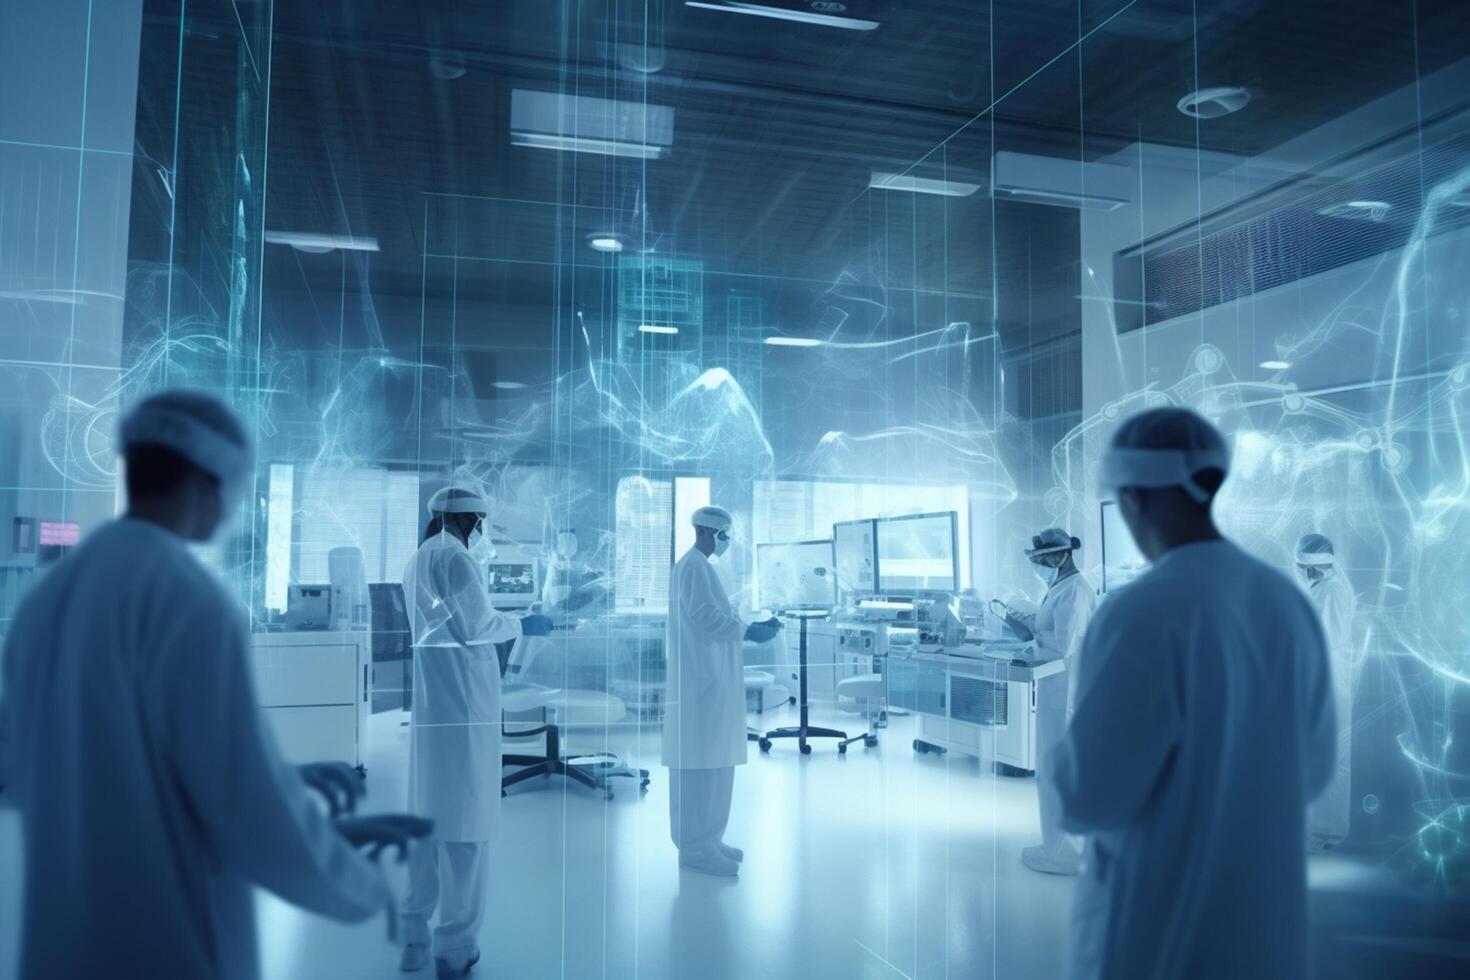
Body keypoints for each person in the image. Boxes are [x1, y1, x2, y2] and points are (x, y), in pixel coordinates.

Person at [0, 390, 427, 980]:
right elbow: (244, 806)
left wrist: (283, 781)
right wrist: (360, 883)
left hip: (62, 940)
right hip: (164, 941)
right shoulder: (189, 601)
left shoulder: (49, 597)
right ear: (208, 482)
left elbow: (61, 768)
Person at [1047, 407, 1336, 980]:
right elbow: (1317, 769)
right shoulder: (1287, 602)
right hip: (1264, 930)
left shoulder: (1139, 610)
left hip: (1158, 935)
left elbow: (1086, 798)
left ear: (1133, 497)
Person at [400, 484, 553, 977]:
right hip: (464, 706)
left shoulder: (418, 558)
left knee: (427, 818)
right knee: (466, 824)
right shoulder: (456, 559)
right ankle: (455, 948)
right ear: (470, 520)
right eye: (483, 523)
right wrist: (525, 624)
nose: (484, 533)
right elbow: (477, 624)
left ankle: (413, 937)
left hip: (434, 707)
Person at [662, 505, 781, 877]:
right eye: (726, 536)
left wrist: (751, 625)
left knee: (715, 761)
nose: (727, 543)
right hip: (701, 682)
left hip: (711, 680)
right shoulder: (694, 565)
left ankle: (710, 838)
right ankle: (695, 846)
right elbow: (705, 617)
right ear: (711, 532)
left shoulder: (698, 566)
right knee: (701, 764)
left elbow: (715, 615)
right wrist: (748, 631)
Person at [1017, 527, 1096, 876]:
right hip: (1057, 689)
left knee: (1056, 771)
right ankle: (1059, 846)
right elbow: (1052, 632)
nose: (1040, 564)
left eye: (1044, 558)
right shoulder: (1061, 588)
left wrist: (1029, 642)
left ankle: (1062, 852)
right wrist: (1027, 625)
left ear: (1064, 554)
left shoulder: (1075, 592)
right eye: (1037, 559)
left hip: (1067, 694)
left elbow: (1062, 647)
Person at [1297, 532, 1359, 852]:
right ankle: (1324, 829)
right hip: (1328, 684)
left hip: (1327, 686)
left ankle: (1326, 834)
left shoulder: (1331, 593)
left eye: (1302, 566)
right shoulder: (1328, 588)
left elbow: (1321, 643)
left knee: (1329, 759)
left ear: (1312, 567)